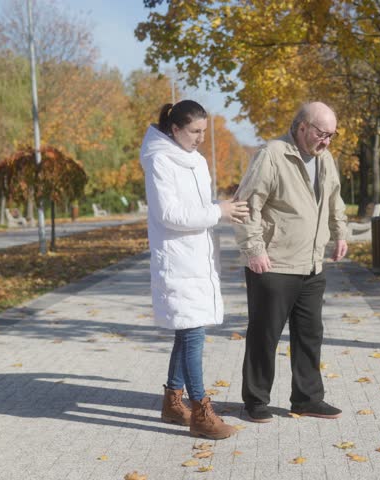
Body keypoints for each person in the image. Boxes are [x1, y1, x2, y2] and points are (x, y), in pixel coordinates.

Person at [139, 100, 249, 439]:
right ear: (175, 129)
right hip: (177, 261)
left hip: (198, 258)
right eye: (195, 131)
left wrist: (220, 210)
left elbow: (198, 208)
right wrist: (219, 211)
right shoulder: (160, 160)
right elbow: (169, 214)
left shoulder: (197, 161)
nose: (201, 137)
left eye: (204, 131)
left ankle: (173, 402)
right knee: (192, 334)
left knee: (187, 330)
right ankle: (201, 411)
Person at [233, 101, 348, 423]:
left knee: (310, 335)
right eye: (321, 133)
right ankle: (255, 401)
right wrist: (254, 250)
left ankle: (308, 399)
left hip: (312, 264)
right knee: (264, 335)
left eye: (331, 135)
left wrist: (340, 233)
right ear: (302, 127)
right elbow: (245, 205)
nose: (326, 141)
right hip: (273, 263)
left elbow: (334, 200)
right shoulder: (272, 154)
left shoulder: (325, 159)